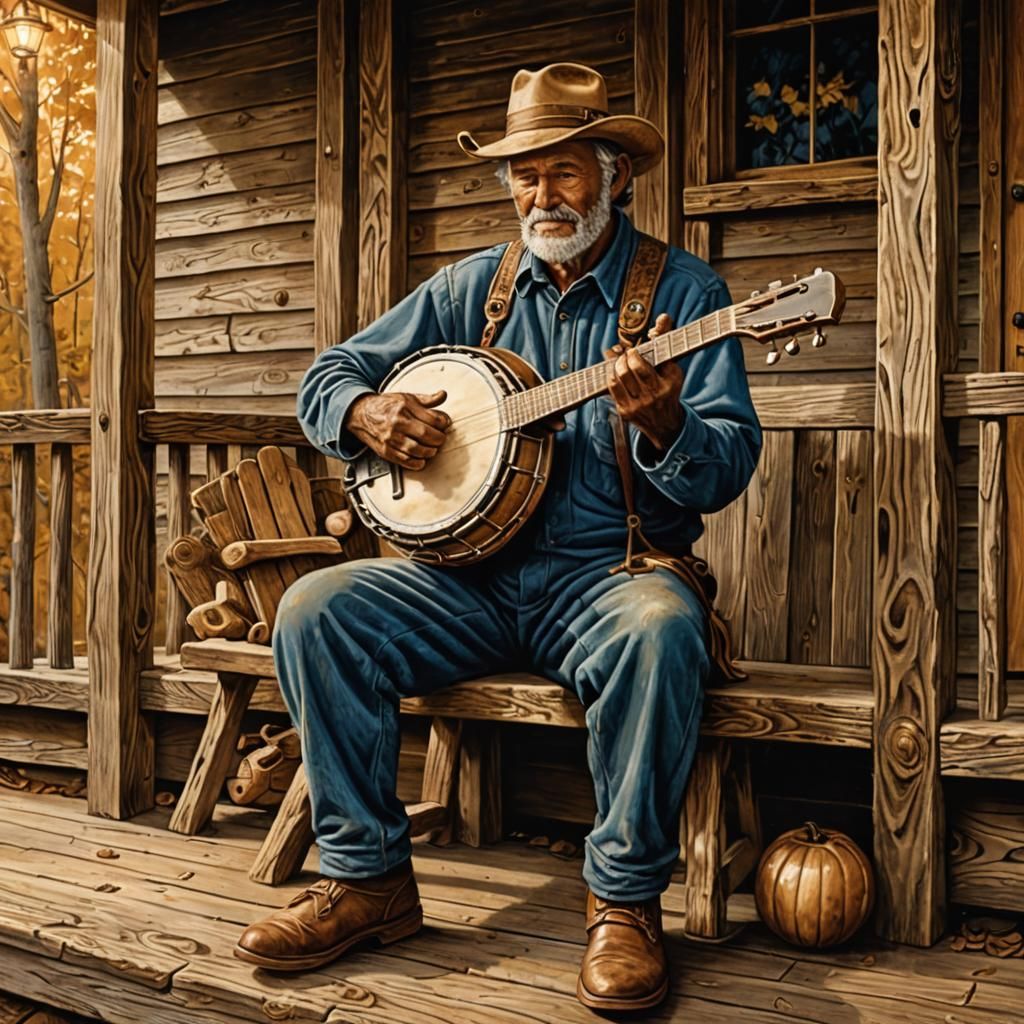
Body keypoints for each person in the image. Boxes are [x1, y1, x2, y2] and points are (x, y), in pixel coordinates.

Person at [235, 62, 762, 1012]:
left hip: (608, 578)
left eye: (561, 170)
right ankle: (368, 881)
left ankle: (624, 904)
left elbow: (725, 467)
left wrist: (666, 428)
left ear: (614, 174)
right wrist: (365, 415)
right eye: (523, 175)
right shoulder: (474, 285)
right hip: (467, 582)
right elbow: (327, 373)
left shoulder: (685, 294)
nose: (540, 194)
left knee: (660, 629)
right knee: (317, 609)